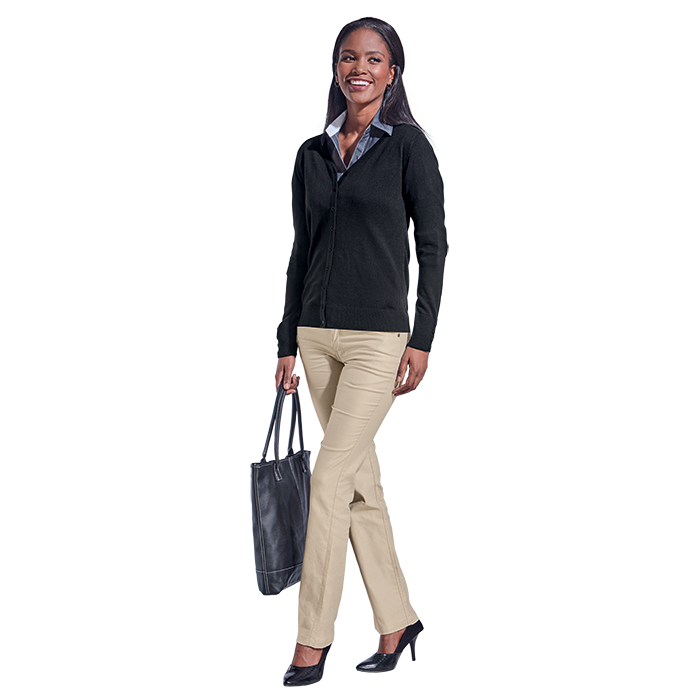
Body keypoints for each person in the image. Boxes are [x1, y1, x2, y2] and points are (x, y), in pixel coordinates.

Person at [275, 16, 447, 687]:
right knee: (357, 486)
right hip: (316, 338)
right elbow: (302, 250)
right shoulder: (313, 153)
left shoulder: (408, 148)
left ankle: (312, 639)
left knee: (327, 481)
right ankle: (398, 620)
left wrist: (423, 337)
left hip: (379, 338)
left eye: (374, 59)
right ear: (336, 69)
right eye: (349, 57)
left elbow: (432, 248)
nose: (359, 68)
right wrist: (287, 340)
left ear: (392, 72)